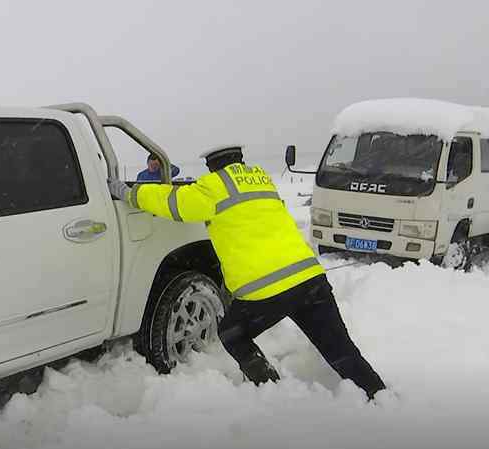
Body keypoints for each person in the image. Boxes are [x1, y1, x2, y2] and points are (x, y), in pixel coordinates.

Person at [108, 145, 386, 400]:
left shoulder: (213, 186)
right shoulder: (262, 180)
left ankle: (270, 390)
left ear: (211, 165)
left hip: (268, 290)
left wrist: (128, 193)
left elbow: (173, 203)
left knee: (231, 332)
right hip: (310, 279)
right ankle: (379, 396)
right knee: (340, 349)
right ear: (239, 158)